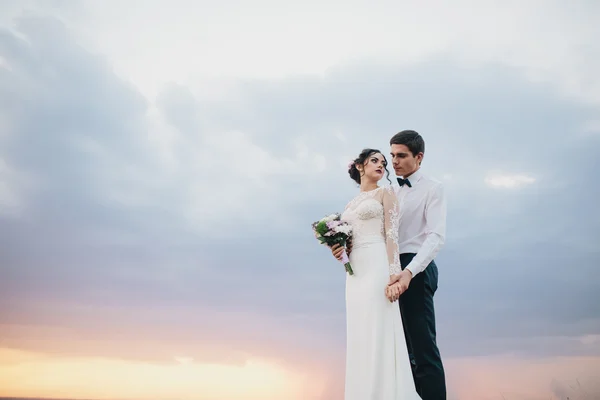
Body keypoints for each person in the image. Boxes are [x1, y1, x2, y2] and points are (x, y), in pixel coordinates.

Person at [332, 130, 447, 400]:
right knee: (398, 347)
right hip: (381, 266)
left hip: (414, 266)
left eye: (400, 156)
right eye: (391, 155)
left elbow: (436, 237)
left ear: (419, 157)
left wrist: (406, 273)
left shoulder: (433, 188)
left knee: (422, 346)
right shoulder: (387, 190)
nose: (393, 162)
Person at [336, 148, 421, 400]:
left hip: (376, 265)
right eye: (375, 160)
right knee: (360, 332)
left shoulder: (386, 193)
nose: (382, 165)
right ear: (360, 166)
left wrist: (395, 277)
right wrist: (338, 252)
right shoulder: (350, 204)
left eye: (384, 162)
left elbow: (392, 235)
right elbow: (348, 244)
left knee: (378, 329)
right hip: (355, 273)